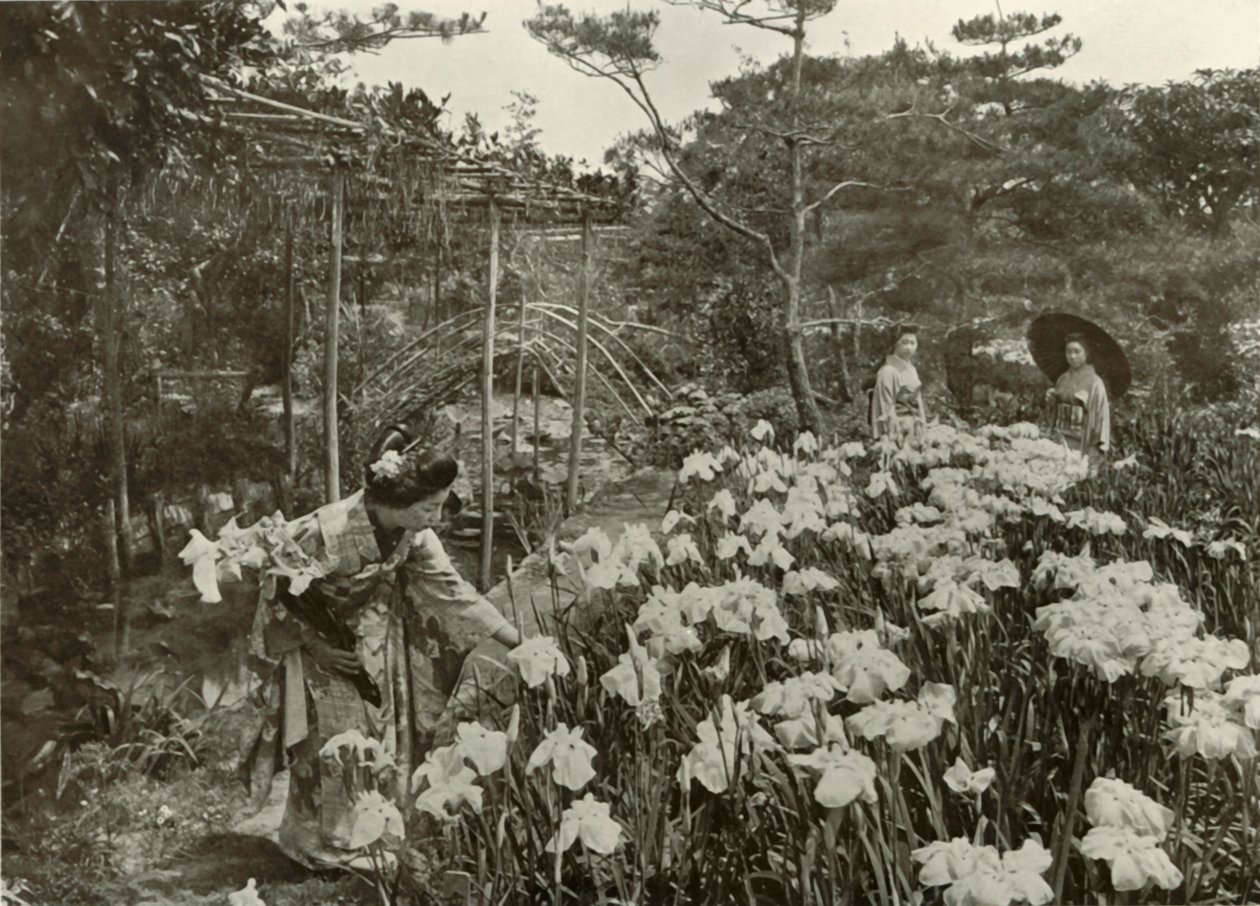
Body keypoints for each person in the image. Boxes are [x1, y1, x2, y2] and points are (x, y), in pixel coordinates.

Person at [239, 427, 521, 869]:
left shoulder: (416, 534)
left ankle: (371, 829)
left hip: (374, 636)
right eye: (429, 507)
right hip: (318, 642)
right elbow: (277, 586)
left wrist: (515, 641)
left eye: (439, 504)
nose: (437, 516)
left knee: (378, 734)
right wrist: (316, 647)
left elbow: (453, 591)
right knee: (329, 739)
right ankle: (316, 842)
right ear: (396, 503)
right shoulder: (327, 529)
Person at [1044, 332, 1110, 472]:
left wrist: (1096, 449)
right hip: (1059, 438)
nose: (1072, 356)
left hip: (1081, 441)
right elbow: (1055, 411)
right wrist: (1052, 401)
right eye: (1068, 352)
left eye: (1077, 351)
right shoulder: (1062, 379)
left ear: (1087, 353)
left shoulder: (1095, 383)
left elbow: (1101, 417)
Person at [870, 325, 928, 442]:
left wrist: (923, 425)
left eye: (913, 343)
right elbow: (885, 406)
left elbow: (919, 403)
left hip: (916, 425)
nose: (909, 347)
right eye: (904, 342)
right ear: (895, 344)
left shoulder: (912, 370)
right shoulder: (887, 371)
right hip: (898, 427)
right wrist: (890, 433)